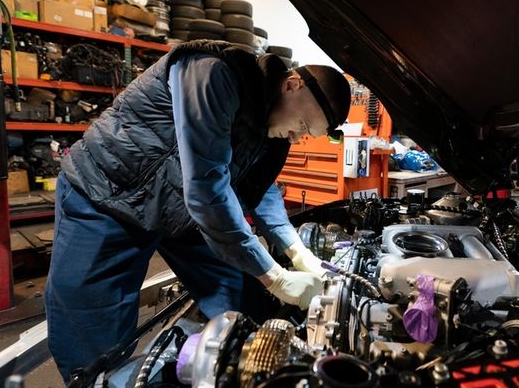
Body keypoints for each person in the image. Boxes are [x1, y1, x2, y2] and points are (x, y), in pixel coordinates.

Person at [44, 39, 351, 381]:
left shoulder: (273, 125)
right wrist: (274, 276)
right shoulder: (213, 73)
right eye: (305, 126)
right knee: (94, 332)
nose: (298, 139)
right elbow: (207, 191)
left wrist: (295, 250)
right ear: (293, 84)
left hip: (177, 209)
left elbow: (258, 191)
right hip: (109, 194)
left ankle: (243, 365)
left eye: (308, 136)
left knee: (243, 294)